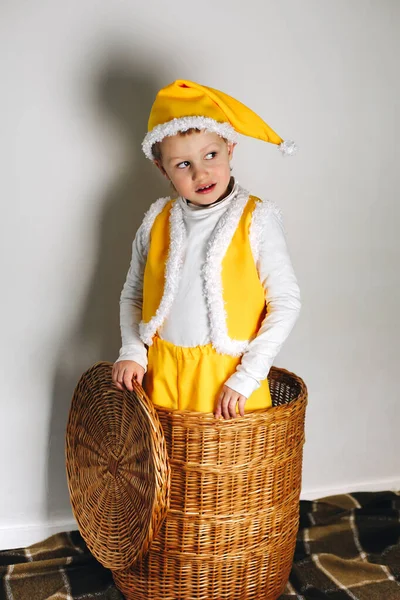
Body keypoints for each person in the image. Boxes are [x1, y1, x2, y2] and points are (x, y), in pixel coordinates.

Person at [112, 79, 301, 419]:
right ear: (162, 168)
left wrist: (248, 376)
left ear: (230, 147)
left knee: (226, 469)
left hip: (228, 382)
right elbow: (133, 294)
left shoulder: (256, 219)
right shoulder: (156, 221)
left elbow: (285, 303)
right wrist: (132, 351)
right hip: (161, 374)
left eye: (210, 155)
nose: (201, 173)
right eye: (183, 164)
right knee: (161, 466)